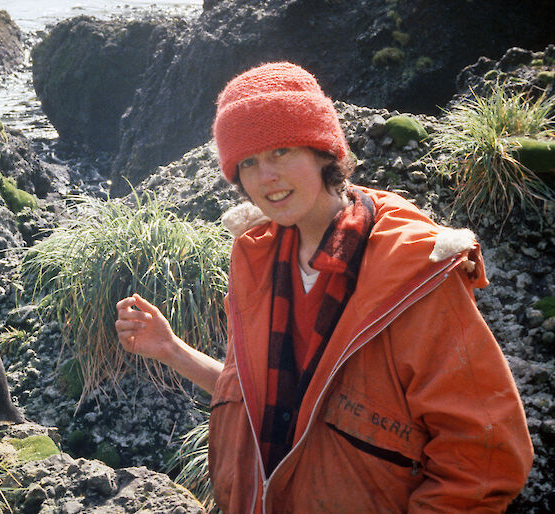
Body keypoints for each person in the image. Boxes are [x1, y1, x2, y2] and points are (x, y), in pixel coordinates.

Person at [116, 62, 533, 513]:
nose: (265, 177)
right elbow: (267, 401)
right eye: (248, 162)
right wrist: (172, 349)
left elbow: (485, 456)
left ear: (322, 151)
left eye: (280, 151)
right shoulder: (255, 258)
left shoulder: (414, 273)